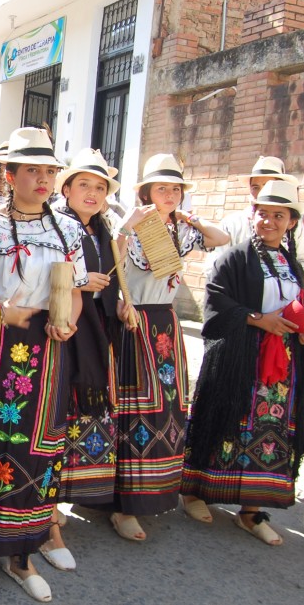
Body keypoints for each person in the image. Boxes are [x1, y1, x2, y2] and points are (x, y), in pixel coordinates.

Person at [0, 127, 85, 602]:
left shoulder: (67, 228)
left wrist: (68, 321)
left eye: (49, 170)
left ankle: (21, 552)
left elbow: (74, 289)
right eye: (32, 170)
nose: (43, 179)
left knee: (35, 447)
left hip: (46, 348)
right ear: (9, 176)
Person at [180, 180, 304, 546]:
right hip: (241, 358)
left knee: (269, 432)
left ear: (291, 222)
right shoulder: (234, 258)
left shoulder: (291, 263)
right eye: (263, 213)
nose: (269, 221)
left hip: (279, 366)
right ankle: (195, 492)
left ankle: (251, 510)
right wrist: (258, 320)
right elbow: (216, 302)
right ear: (252, 215)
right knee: (226, 420)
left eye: (279, 216)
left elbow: (297, 304)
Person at [108, 153, 229, 541]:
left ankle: (153, 493)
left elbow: (221, 238)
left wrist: (192, 218)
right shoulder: (134, 227)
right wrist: (128, 226)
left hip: (166, 326)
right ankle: (122, 504)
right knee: (134, 412)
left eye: (176, 189)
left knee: (168, 410)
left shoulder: (180, 230)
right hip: (135, 321)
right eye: (162, 188)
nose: (170, 194)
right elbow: (113, 259)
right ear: (146, 192)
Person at [43, 149, 122, 571]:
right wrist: (79, 281)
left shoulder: (102, 230)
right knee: (56, 414)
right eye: (84, 185)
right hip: (64, 329)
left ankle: (60, 499)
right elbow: (45, 271)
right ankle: (47, 505)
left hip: (94, 331)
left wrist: (119, 300)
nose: (92, 193)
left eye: (100, 187)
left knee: (80, 417)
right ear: (67, 189)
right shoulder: (56, 225)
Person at [205, 156, 304, 275]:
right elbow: (213, 268)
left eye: (267, 185)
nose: (261, 193)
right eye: (255, 187)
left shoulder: (294, 226)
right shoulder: (232, 224)